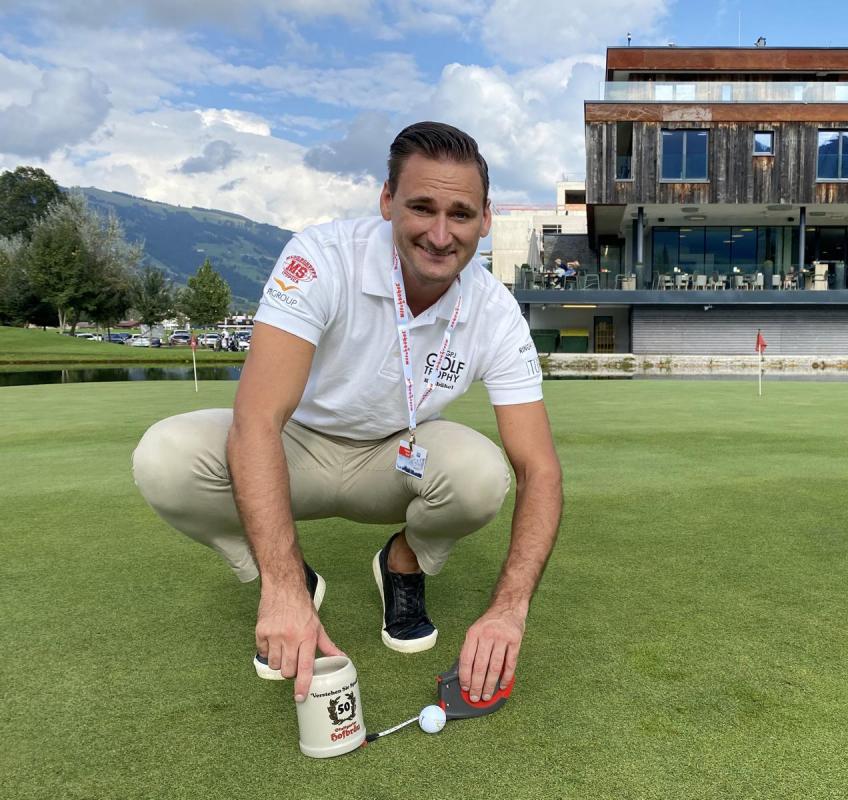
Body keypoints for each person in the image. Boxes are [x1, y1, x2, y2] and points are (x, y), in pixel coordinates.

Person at [133, 121, 563, 705]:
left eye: (460, 214)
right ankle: (288, 577)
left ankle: (403, 564)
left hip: (394, 458)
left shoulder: (496, 311)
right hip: (294, 445)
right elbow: (257, 420)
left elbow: (539, 469)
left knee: (482, 476)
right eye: (421, 207)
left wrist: (509, 610)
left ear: (485, 219)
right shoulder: (321, 258)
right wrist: (282, 586)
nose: (440, 235)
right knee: (164, 458)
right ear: (387, 201)